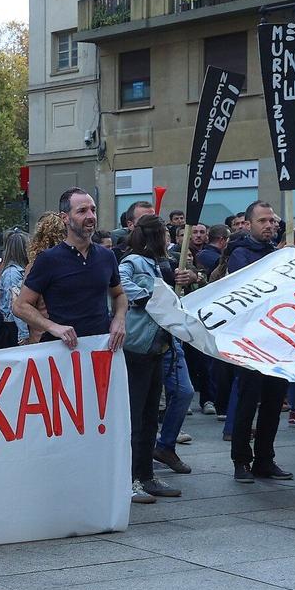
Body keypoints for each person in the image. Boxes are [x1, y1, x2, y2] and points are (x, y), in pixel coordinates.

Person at [217, 201, 291, 482]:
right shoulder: (241, 254)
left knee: (273, 402)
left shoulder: (278, 252)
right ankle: (240, 460)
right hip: (250, 340)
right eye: (263, 221)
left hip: (278, 339)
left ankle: (265, 458)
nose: (270, 225)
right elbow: (247, 288)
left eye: (272, 220)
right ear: (248, 225)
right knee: (248, 400)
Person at [12, 190, 128, 360]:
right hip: (62, 357)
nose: (91, 216)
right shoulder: (48, 259)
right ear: (65, 218)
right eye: (82, 211)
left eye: (93, 210)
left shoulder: (107, 256)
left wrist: (119, 319)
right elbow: (20, 306)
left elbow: (119, 294)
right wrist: (53, 327)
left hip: (101, 351)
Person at [118, 215, 182, 505]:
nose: (168, 238)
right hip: (138, 346)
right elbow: (121, 287)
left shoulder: (159, 262)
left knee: (149, 415)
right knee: (135, 416)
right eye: (165, 233)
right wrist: (152, 299)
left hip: (156, 346)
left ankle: (145, 474)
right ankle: (131, 477)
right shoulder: (132, 262)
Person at [0, 229, 31, 350]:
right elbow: (14, 306)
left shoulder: (15, 271)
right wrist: (23, 333)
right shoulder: (12, 273)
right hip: (12, 328)